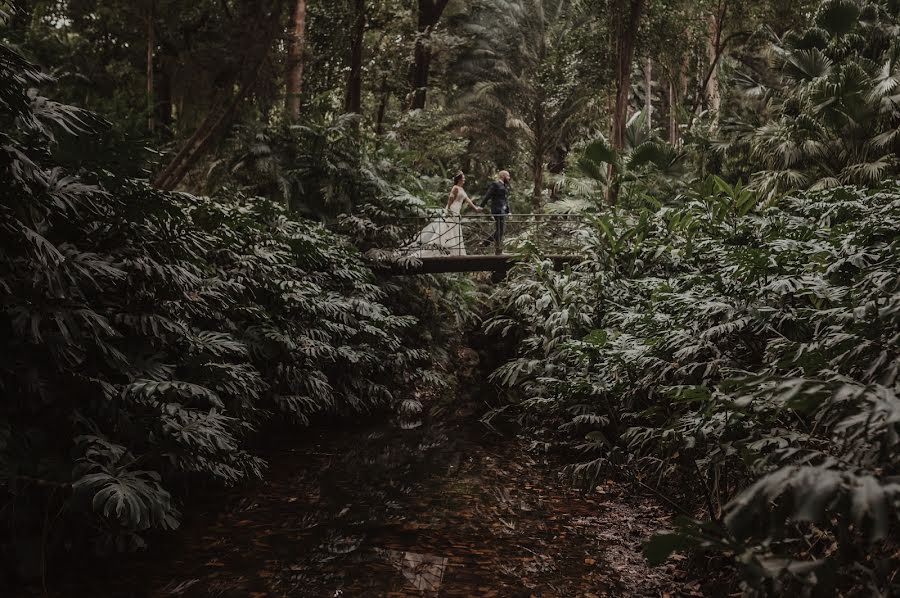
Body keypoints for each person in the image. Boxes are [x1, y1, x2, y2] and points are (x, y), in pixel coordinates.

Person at [409, 171, 482, 257]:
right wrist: (448, 210)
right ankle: (443, 248)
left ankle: (455, 251)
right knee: (447, 228)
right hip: (452, 209)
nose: (464, 179)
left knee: (454, 229)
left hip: (457, 211)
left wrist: (475, 208)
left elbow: (468, 200)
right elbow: (450, 199)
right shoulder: (455, 188)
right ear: (459, 179)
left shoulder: (461, 189)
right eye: (463, 178)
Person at [480, 170, 511, 254]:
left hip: (503, 211)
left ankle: (490, 246)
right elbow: (488, 195)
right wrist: (481, 206)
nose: (509, 178)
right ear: (503, 176)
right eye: (508, 176)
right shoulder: (495, 185)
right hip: (497, 210)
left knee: (500, 230)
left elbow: (505, 200)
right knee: (500, 230)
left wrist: (508, 211)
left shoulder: (504, 186)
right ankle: (496, 249)